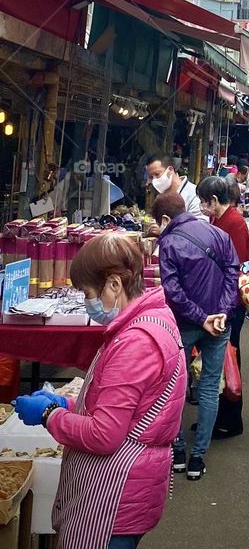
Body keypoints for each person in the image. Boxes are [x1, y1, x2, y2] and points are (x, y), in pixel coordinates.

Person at [14, 232, 186, 549]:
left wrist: (50, 415)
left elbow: (104, 434)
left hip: (116, 492)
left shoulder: (137, 341)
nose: (88, 302)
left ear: (114, 285)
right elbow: (122, 405)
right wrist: (66, 402)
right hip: (131, 483)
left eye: (89, 292)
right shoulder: (151, 320)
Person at [153, 191, 239, 481]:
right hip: (219, 322)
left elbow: (172, 292)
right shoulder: (219, 234)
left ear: (165, 219)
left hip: (186, 323)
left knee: (175, 386)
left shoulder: (167, 243)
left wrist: (201, 318)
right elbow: (233, 274)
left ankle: (178, 450)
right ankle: (198, 458)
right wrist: (222, 313)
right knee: (210, 386)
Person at [198, 176, 249, 438]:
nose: (201, 206)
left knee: (230, 358)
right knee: (217, 361)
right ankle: (217, 416)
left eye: (203, 202)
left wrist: (226, 308)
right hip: (217, 300)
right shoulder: (218, 220)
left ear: (215, 200)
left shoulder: (235, 223)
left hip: (229, 304)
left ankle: (231, 420)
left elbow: (237, 268)